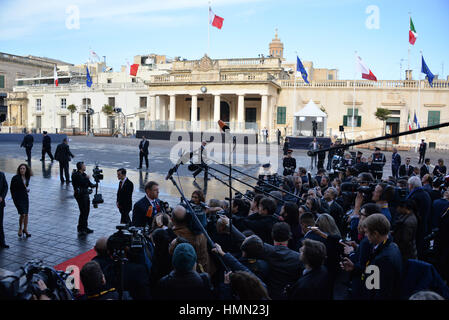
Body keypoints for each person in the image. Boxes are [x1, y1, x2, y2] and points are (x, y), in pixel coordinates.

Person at [171, 205, 215, 276]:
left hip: (189, 274)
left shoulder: (175, 236)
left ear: (172, 219)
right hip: (206, 270)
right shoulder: (201, 232)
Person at [406, 176, 432, 259]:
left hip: (417, 228)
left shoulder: (415, 196)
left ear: (412, 185)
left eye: (409, 185)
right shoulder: (425, 194)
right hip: (423, 226)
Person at [72, 161, 97, 235]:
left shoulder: (84, 174)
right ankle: (81, 228)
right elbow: (81, 183)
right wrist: (86, 178)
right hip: (80, 195)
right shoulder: (76, 175)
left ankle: (85, 227)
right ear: (80, 167)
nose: (85, 166)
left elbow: (89, 184)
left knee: (86, 211)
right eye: (84, 166)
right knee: (83, 212)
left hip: (85, 195)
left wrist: (95, 184)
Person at [10, 163, 32, 238]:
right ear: (19, 170)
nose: (22, 170)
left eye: (23, 169)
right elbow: (12, 188)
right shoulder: (15, 178)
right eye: (21, 169)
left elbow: (25, 186)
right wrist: (14, 197)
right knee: (22, 214)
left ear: (26, 170)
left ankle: (25, 229)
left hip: (25, 197)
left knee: (26, 213)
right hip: (18, 198)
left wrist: (26, 190)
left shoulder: (27, 177)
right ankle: (20, 228)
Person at [0, 171, 9, 248]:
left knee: (0, 223)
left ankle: (2, 242)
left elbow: (5, 187)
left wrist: (2, 197)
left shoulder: (1, 174)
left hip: (0, 204)